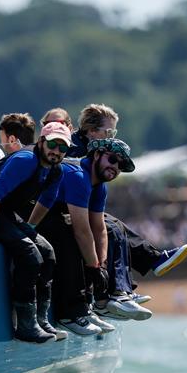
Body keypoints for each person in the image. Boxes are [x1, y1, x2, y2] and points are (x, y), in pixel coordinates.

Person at [0, 121, 69, 343]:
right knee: (30, 255)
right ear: (41, 142)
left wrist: (29, 228)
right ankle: (25, 326)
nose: (56, 151)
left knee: (47, 252)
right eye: (53, 144)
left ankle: (41, 319)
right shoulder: (25, 160)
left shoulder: (55, 171)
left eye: (63, 148)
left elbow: (46, 201)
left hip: (4, 212)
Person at [66, 104, 187, 287]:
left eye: (113, 133)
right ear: (91, 131)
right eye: (108, 132)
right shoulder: (74, 149)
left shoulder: (93, 151)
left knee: (116, 227)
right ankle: (124, 283)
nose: (111, 138)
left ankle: (130, 282)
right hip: (64, 206)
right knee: (112, 229)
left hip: (77, 204)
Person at [38, 138, 140, 335]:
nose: (115, 168)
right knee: (70, 237)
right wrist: (93, 267)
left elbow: (99, 228)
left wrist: (100, 265)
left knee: (106, 235)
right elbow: (82, 230)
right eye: (112, 159)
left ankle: (89, 306)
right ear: (96, 155)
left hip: (52, 214)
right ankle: (70, 314)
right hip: (31, 211)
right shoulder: (78, 176)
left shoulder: (100, 185)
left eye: (121, 165)